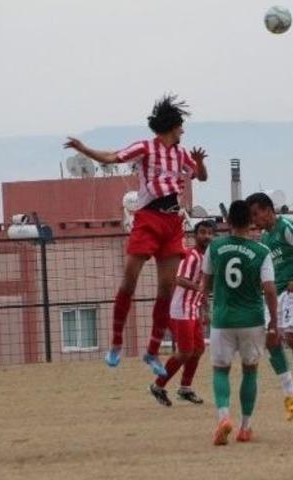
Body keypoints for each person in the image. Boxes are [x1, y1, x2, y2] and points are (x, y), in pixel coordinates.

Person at [64, 94, 208, 376]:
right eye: (180, 126)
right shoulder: (146, 147)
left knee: (166, 289)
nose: (183, 130)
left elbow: (200, 176)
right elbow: (112, 157)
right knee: (130, 280)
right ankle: (116, 343)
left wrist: (200, 163)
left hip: (172, 222)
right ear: (171, 126)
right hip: (148, 219)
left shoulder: (181, 154)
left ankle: (152, 351)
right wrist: (84, 149)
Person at [202, 200, 278, 445]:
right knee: (250, 371)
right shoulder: (261, 251)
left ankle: (224, 417)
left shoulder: (214, 247)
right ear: (250, 221)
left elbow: (205, 284)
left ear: (228, 221)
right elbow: (269, 289)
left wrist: (204, 309)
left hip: (223, 319)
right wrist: (274, 323)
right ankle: (245, 427)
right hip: (252, 320)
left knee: (220, 370)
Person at [246, 192, 293, 421]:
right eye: (251, 216)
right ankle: (290, 394)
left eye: (256, 214)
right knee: (271, 338)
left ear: (268, 210)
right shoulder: (266, 239)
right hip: (277, 295)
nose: (254, 220)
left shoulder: (286, 227)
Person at [149, 220, 214, 406]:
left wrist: (205, 309)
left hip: (192, 309)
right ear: (195, 235)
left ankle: (185, 388)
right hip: (180, 309)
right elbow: (178, 279)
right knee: (185, 351)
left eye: (210, 233)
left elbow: (204, 287)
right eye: (202, 232)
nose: (206, 236)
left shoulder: (208, 258)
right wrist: (197, 287)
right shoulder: (191, 256)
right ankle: (158, 385)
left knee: (199, 349)